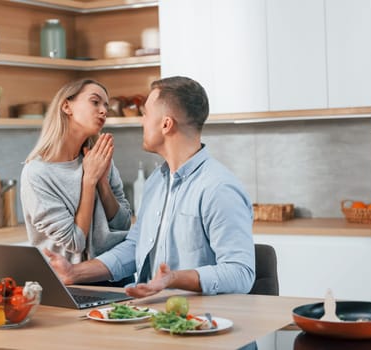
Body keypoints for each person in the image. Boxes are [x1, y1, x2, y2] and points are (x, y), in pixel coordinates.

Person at [44, 76, 255, 298]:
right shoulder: (157, 181)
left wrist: (174, 278)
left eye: (145, 114)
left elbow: (241, 273)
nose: (141, 121)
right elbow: (136, 247)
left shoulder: (218, 188)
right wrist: (74, 272)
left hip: (202, 322)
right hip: (155, 317)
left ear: (166, 124)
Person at [20, 78, 132, 271]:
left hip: (112, 275)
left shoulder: (99, 159)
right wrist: (89, 181)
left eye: (106, 105)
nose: (104, 110)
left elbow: (123, 225)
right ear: (66, 106)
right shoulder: (37, 173)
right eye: (95, 102)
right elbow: (74, 242)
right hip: (67, 284)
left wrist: (102, 183)